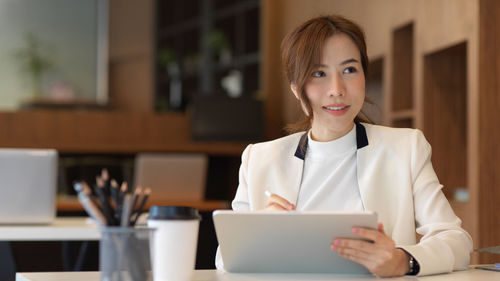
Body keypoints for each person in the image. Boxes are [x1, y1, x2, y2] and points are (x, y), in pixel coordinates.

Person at [215, 14, 472, 277]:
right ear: (295, 87)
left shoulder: (406, 148)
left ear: (364, 74)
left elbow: (456, 241)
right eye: (319, 73)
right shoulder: (259, 159)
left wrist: (402, 260)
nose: (336, 89)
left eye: (349, 70)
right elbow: (225, 260)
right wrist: (257, 232)